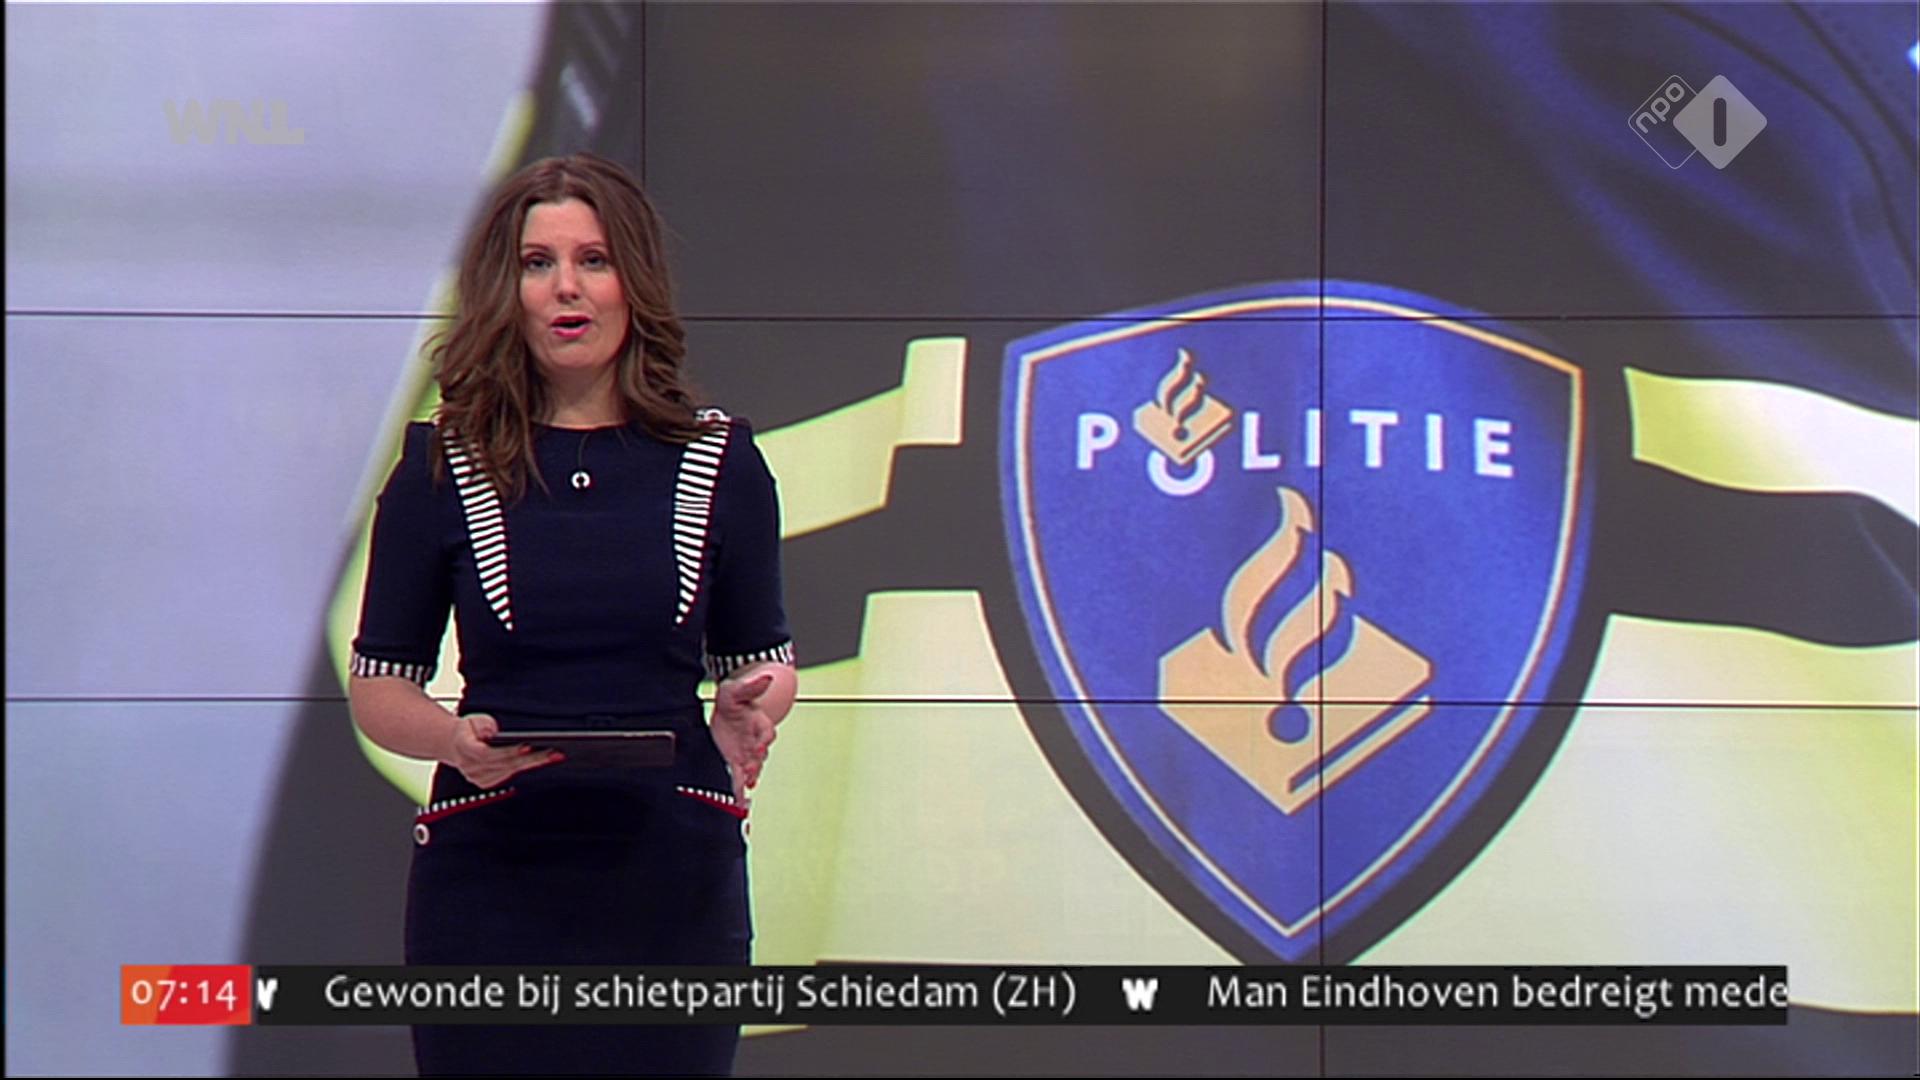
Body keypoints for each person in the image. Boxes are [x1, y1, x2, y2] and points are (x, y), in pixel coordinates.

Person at [347, 151, 797, 1077]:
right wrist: (453, 741)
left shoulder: (723, 462)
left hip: (673, 871)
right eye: (537, 263)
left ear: (635, 282)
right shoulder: (441, 465)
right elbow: (380, 689)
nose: (567, 288)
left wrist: (751, 705)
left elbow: (763, 658)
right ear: (504, 291)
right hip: (491, 870)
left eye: (594, 260)